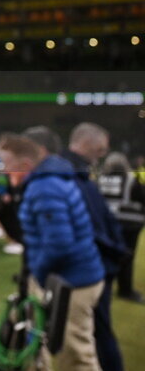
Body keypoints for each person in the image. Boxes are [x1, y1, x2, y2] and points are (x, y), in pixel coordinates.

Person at [0, 134, 105, 371]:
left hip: (73, 281)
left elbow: (59, 244)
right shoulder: (49, 180)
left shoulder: (44, 188)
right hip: (68, 276)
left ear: (25, 165)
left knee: (75, 354)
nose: (3, 170)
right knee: (39, 345)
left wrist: (38, 273)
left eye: (6, 164)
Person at [59, 123, 126, 371]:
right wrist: (114, 252)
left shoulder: (78, 173)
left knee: (90, 334)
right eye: (99, 150)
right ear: (86, 144)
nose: (101, 155)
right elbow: (90, 227)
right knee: (92, 335)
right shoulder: (71, 175)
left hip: (92, 265)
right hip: (90, 267)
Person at [98, 152, 144, 304]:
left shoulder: (100, 179)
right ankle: (125, 290)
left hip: (106, 223)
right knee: (126, 257)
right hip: (130, 224)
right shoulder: (131, 180)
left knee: (105, 254)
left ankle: (104, 286)